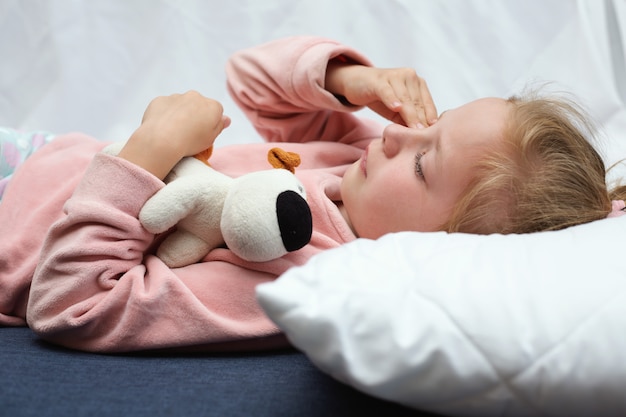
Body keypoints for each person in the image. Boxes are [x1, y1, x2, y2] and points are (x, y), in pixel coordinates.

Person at [0, 36, 624, 352]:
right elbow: (251, 79)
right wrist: (349, 78)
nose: (396, 138)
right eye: (432, 123)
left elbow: (72, 305)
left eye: (424, 165)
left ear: (439, 249)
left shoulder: (294, 268)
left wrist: (147, 151)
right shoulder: (354, 167)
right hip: (40, 155)